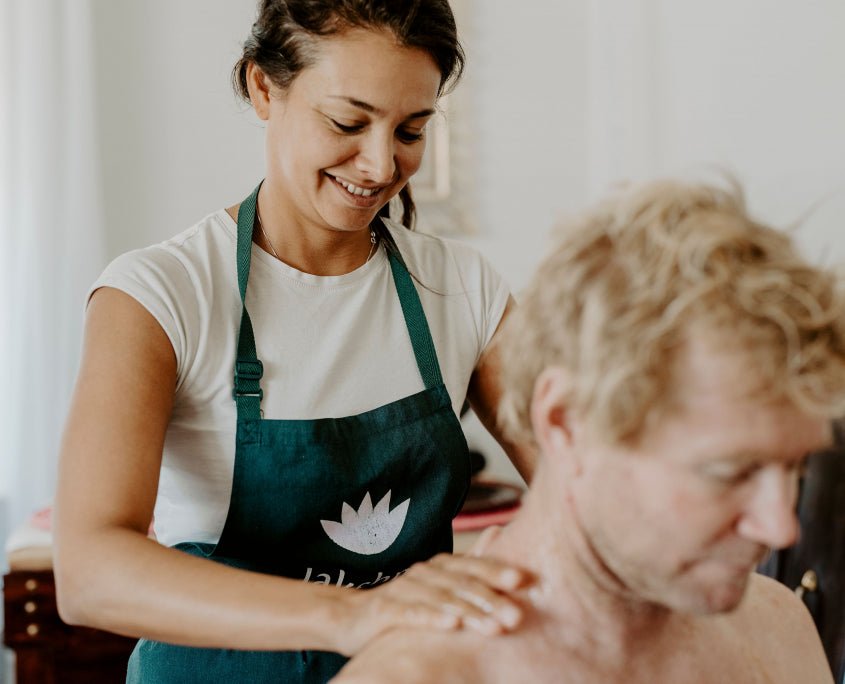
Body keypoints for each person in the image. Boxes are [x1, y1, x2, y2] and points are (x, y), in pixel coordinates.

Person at [52, 1, 535, 682]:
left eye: (410, 130)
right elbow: (90, 571)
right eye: (347, 122)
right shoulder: (160, 293)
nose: (377, 164)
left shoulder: (463, 288)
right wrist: (350, 614)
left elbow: (581, 485)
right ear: (262, 88)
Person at [331, 176, 845, 683]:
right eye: (731, 472)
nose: (782, 529)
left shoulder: (780, 628)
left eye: (795, 467)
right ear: (566, 423)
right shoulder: (418, 675)